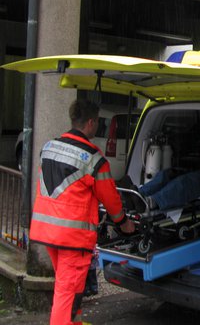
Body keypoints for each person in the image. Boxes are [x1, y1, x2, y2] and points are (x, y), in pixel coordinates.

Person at [30, 99, 135, 325]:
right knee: (67, 291)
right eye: (97, 122)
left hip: (47, 232)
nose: (97, 126)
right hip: (72, 238)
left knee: (69, 286)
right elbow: (111, 199)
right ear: (90, 123)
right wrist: (124, 223)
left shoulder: (49, 147)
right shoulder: (94, 159)